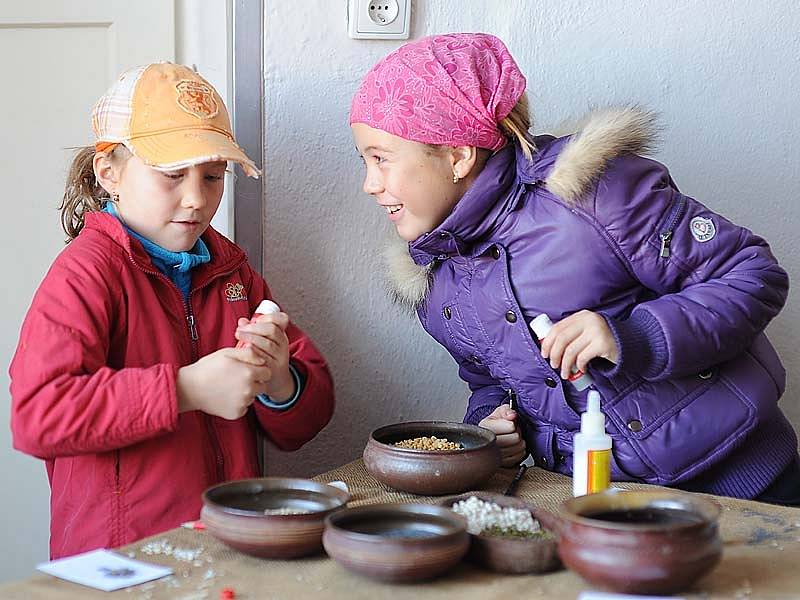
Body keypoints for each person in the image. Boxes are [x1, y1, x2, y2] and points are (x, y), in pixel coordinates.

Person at [350, 33, 799, 504]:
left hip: (741, 484)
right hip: (597, 500)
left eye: (380, 159)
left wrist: (633, 335)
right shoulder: (435, 279)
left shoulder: (595, 197)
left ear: (457, 156)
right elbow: (489, 378)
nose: (369, 184)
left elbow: (752, 276)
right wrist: (492, 423)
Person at [10, 63, 335, 558]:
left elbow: (309, 416)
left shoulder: (231, 271)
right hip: (123, 563)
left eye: (212, 176)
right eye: (172, 175)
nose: (196, 199)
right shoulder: (86, 274)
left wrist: (279, 381)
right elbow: (38, 415)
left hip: (230, 544)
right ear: (109, 173)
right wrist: (185, 389)